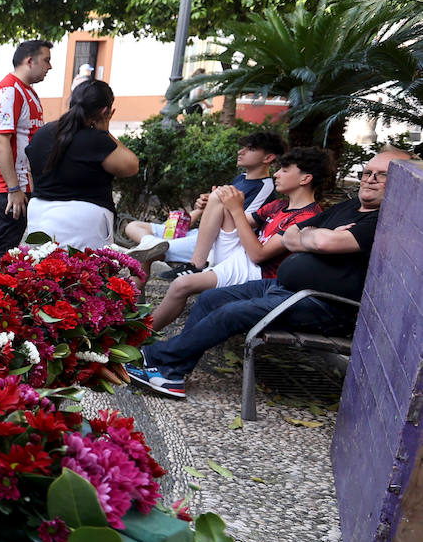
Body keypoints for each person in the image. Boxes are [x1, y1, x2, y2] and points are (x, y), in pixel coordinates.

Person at [126, 149, 415, 399]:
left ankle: (156, 357)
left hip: (322, 304)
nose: (369, 179)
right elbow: (291, 236)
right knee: (211, 299)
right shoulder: (350, 207)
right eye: (366, 172)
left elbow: (319, 241)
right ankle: (172, 373)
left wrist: (316, 236)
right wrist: (316, 236)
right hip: (283, 287)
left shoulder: (383, 220)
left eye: (382, 175)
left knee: (231, 313)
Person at [146, 147, 329, 332]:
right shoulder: (278, 205)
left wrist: (236, 209)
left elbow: (259, 255)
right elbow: (237, 222)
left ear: (305, 178)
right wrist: (214, 203)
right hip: (242, 257)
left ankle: (143, 337)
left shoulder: (307, 217)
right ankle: (196, 263)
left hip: (257, 273)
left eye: (284, 170)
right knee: (222, 194)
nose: (276, 174)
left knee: (181, 285)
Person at [123, 131, 286, 277]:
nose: (240, 152)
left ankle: (134, 301)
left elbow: (240, 226)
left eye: (250, 149)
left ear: (268, 158)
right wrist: (206, 205)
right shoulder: (242, 178)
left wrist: (218, 202)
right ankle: (150, 242)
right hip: (201, 234)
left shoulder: (265, 186)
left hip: (215, 242)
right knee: (133, 226)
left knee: (145, 256)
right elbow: (223, 208)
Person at [22, 79, 139, 250]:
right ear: (105, 111)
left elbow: (32, 171)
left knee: (44, 272)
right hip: (86, 220)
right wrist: (105, 131)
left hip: (40, 215)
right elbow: (131, 166)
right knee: (86, 274)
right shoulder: (97, 139)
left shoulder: (44, 133)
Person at [0, 39, 52, 265]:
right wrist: (13, 188)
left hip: (22, 181)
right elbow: (1, 142)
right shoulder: (9, 91)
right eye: (46, 60)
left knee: (11, 244)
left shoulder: (26, 91)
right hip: (9, 184)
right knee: (5, 245)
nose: (49, 67)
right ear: (29, 60)